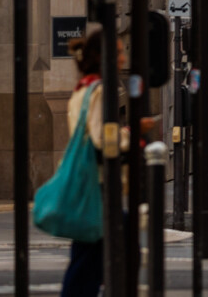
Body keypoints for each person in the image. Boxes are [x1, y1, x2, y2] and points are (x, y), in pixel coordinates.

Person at [61, 28, 147, 297]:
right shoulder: (98, 91)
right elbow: (101, 137)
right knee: (94, 256)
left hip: (88, 182)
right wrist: (130, 137)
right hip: (96, 183)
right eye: (119, 52)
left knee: (89, 255)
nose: (123, 58)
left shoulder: (82, 89)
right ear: (103, 57)